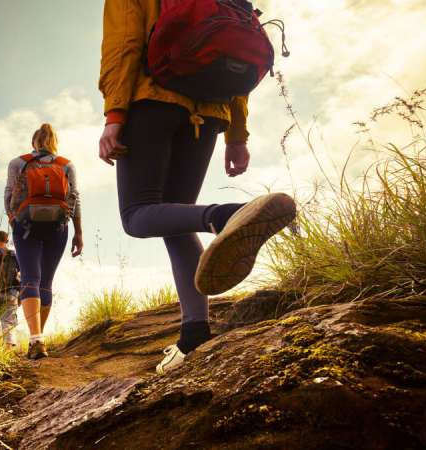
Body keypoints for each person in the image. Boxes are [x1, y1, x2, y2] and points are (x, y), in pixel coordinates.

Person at [98, 0, 296, 374]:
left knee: (136, 216)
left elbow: (123, 46)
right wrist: (236, 135)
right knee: (177, 218)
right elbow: (233, 60)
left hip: (150, 102)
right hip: (208, 115)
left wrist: (114, 116)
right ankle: (194, 335)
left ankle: (229, 215)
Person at [5, 123, 83, 360]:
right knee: (45, 283)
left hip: (25, 226)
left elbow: (9, 196)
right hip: (58, 228)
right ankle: (38, 339)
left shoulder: (18, 162)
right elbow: (75, 199)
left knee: (30, 279)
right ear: (54, 143)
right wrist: (78, 233)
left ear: (34, 142)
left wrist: (14, 221)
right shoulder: (67, 165)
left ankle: (35, 338)